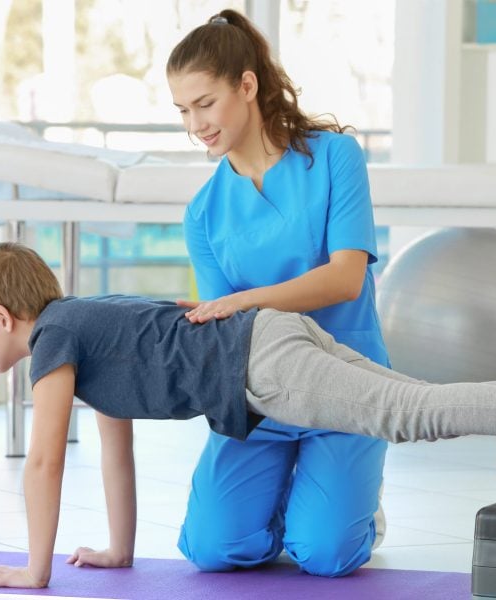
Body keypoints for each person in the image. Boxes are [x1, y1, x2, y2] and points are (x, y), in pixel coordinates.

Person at [0, 242, 496, 590]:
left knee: (409, 413)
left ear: (4, 318)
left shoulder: (52, 342)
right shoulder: (84, 328)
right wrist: (119, 550)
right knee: (415, 397)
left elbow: (41, 462)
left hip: (261, 364)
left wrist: (35, 570)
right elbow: (115, 448)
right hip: (268, 336)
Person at [166, 9, 390, 576]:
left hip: (349, 383)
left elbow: (345, 277)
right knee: (213, 550)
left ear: (247, 85)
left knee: (327, 554)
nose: (196, 125)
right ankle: (297, 496)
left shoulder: (335, 157)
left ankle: (351, 507)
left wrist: (242, 300)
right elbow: (221, 329)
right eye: (183, 110)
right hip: (262, 393)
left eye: (205, 103)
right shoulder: (203, 212)